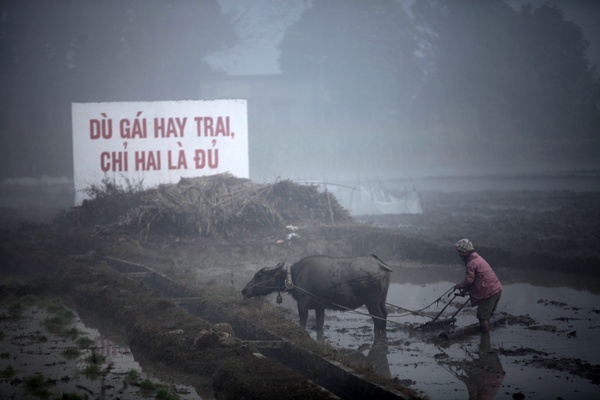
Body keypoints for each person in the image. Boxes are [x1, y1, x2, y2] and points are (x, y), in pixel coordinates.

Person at [453, 239, 502, 333]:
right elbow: (474, 280)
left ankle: (485, 339)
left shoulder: (471, 263)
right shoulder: (478, 258)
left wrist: (459, 286)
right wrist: (464, 291)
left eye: (459, 252)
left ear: (465, 251)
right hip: (496, 290)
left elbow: (469, 280)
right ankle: (486, 336)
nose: (459, 254)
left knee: (482, 317)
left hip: (489, 292)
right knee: (486, 316)